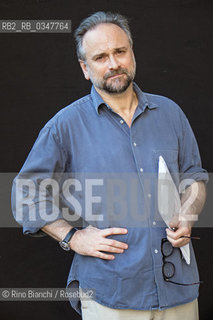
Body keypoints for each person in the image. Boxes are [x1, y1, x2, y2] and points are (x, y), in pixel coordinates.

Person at [12, 11, 208, 320]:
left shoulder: (170, 113)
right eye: (100, 57)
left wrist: (189, 213)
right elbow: (25, 193)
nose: (113, 63)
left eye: (120, 51)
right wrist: (72, 237)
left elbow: (194, 176)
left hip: (178, 288)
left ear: (132, 53)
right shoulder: (65, 126)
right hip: (111, 296)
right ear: (85, 69)